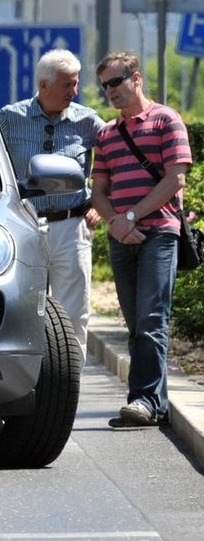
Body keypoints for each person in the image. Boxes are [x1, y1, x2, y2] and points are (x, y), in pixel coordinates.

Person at [90, 52, 193, 428]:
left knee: (152, 319)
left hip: (159, 233)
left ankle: (144, 400)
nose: (110, 92)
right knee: (135, 324)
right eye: (104, 86)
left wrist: (131, 216)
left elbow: (175, 179)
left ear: (136, 79)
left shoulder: (167, 120)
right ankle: (154, 402)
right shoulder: (106, 134)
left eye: (115, 82)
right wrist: (115, 222)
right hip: (122, 236)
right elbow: (98, 189)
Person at [0, 49, 105, 351]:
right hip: (23, 225)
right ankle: (30, 381)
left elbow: (117, 160)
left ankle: (70, 385)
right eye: (67, 85)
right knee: (22, 308)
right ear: (44, 85)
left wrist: (100, 201)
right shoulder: (8, 118)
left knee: (74, 312)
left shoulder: (88, 122)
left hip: (72, 226)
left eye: (76, 83)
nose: (74, 91)